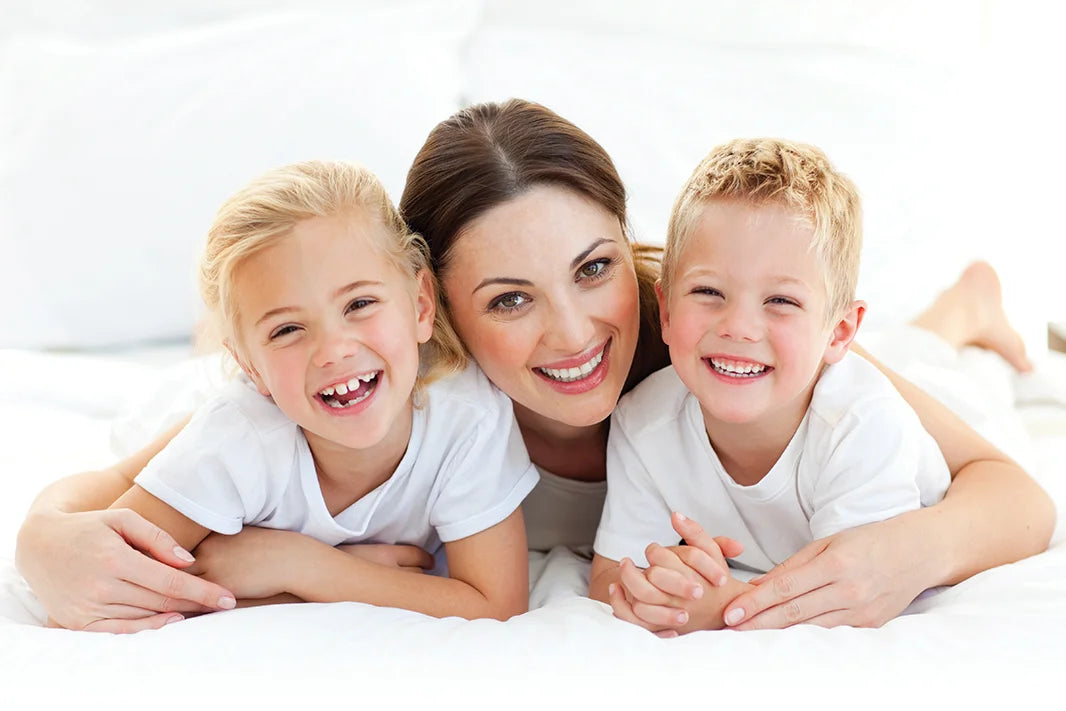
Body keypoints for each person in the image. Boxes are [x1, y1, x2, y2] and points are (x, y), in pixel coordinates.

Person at [15, 99, 1053, 634]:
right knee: (209, 365)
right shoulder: (394, 382)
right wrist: (41, 544)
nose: (571, 333)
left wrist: (904, 554)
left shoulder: (717, 339)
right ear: (439, 316)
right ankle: (208, 326)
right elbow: (87, 503)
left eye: (592, 268)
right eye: (509, 299)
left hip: (892, 391)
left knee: (936, 364)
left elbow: (1012, 495)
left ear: (630, 250)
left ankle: (962, 310)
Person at [56, 160, 537, 629]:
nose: (333, 350)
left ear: (420, 304)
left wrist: (307, 567)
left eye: (360, 303)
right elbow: (113, 582)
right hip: (187, 409)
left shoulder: (468, 415)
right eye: (287, 329)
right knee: (146, 450)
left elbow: (496, 603)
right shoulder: (233, 441)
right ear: (250, 367)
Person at [588, 138, 953, 633]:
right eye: (708, 292)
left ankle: (969, 308)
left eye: (780, 300)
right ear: (667, 312)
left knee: (944, 365)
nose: (739, 327)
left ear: (840, 332)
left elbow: (847, 600)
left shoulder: (864, 424)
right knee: (916, 346)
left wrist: (720, 605)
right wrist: (664, 588)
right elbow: (612, 577)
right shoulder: (643, 420)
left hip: (948, 409)